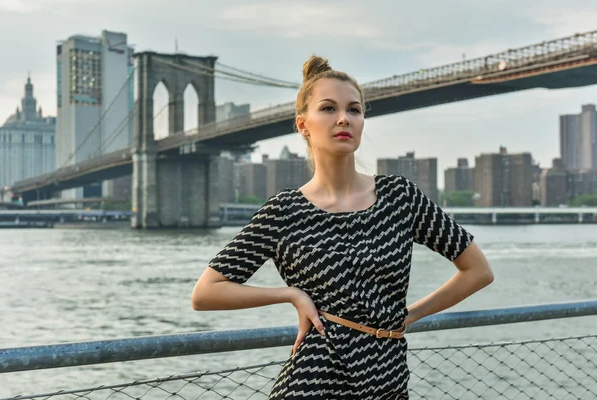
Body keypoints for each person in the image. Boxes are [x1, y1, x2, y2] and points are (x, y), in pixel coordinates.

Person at [192, 55, 494, 399]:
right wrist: (291, 294)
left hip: (388, 377)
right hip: (314, 381)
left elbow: (478, 271)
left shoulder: (399, 196)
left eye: (354, 110)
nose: (343, 119)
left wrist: (407, 316)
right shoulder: (285, 211)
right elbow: (206, 293)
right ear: (303, 124)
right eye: (328, 109)